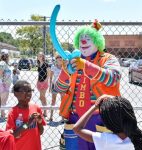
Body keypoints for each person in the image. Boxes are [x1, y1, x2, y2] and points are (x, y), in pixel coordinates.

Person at [53, 20, 121, 149]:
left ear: (97, 41)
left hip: (101, 118)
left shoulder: (108, 58)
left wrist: (87, 66)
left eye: (88, 38)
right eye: (81, 39)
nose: (83, 42)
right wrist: (65, 73)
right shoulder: (72, 62)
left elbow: (114, 78)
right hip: (75, 119)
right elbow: (58, 88)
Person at [73, 95, 142, 150]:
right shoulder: (135, 138)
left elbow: (77, 128)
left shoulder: (105, 139)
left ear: (108, 122)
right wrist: (111, 98)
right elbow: (124, 107)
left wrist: (95, 107)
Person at [6, 80, 46, 150]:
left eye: (30, 91)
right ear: (16, 94)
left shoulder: (36, 108)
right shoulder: (13, 112)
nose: (28, 93)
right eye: (24, 91)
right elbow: (13, 135)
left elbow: (40, 132)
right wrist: (27, 124)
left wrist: (39, 122)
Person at [49, 53, 63, 122]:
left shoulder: (64, 67)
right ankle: (51, 116)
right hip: (54, 85)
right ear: (56, 60)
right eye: (58, 58)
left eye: (61, 58)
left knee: (62, 101)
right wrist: (50, 86)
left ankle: (63, 116)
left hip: (62, 86)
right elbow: (51, 77)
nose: (60, 60)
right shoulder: (53, 67)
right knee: (53, 101)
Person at [37, 52, 50, 117]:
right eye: (38, 56)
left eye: (40, 56)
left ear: (43, 57)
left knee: (43, 97)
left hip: (44, 82)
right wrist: (37, 82)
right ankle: (44, 109)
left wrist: (45, 80)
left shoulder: (46, 64)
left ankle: (45, 111)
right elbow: (39, 74)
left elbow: (48, 73)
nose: (39, 57)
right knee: (41, 97)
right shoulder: (39, 64)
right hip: (39, 82)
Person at [0, 49, 11, 121]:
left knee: (3, 100)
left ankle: (3, 114)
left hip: (5, 84)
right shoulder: (2, 63)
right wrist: (2, 82)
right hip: (3, 84)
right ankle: (3, 115)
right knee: (3, 100)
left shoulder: (5, 63)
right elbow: (0, 73)